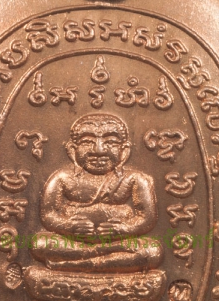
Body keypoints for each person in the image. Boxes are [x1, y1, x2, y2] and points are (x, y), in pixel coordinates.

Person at [29, 113, 163, 273]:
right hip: (74, 242)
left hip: (118, 242)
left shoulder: (135, 179)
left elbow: (147, 218)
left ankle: (77, 264)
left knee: (152, 250)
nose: (98, 150)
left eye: (111, 142)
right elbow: (48, 214)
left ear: (124, 151)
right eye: (87, 142)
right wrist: (68, 226)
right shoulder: (62, 178)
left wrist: (125, 228)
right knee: (40, 243)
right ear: (72, 150)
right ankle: (100, 260)